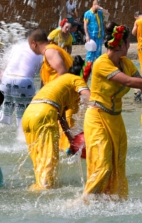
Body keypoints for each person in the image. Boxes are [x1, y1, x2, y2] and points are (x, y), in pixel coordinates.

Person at [83, 25, 142, 199]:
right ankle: (84, 201)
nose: (130, 46)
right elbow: (129, 82)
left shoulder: (126, 63)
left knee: (117, 164)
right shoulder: (102, 63)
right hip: (97, 117)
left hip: (116, 121)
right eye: (128, 42)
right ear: (121, 44)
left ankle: (111, 200)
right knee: (102, 164)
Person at [22, 56, 90, 190]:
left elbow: (62, 117)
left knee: (38, 158)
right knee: (49, 159)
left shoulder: (59, 82)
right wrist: (98, 109)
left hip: (29, 115)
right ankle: (45, 191)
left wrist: (72, 139)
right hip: (45, 114)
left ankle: (37, 188)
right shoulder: (76, 79)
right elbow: (87, 95)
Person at [0, 33, 43, 128]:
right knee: (25, 120)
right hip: (24, 83)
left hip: (6, 79)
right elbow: (42, 74)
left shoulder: (17, 46)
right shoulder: (40, 52)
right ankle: (26, 141)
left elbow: (5, 66)